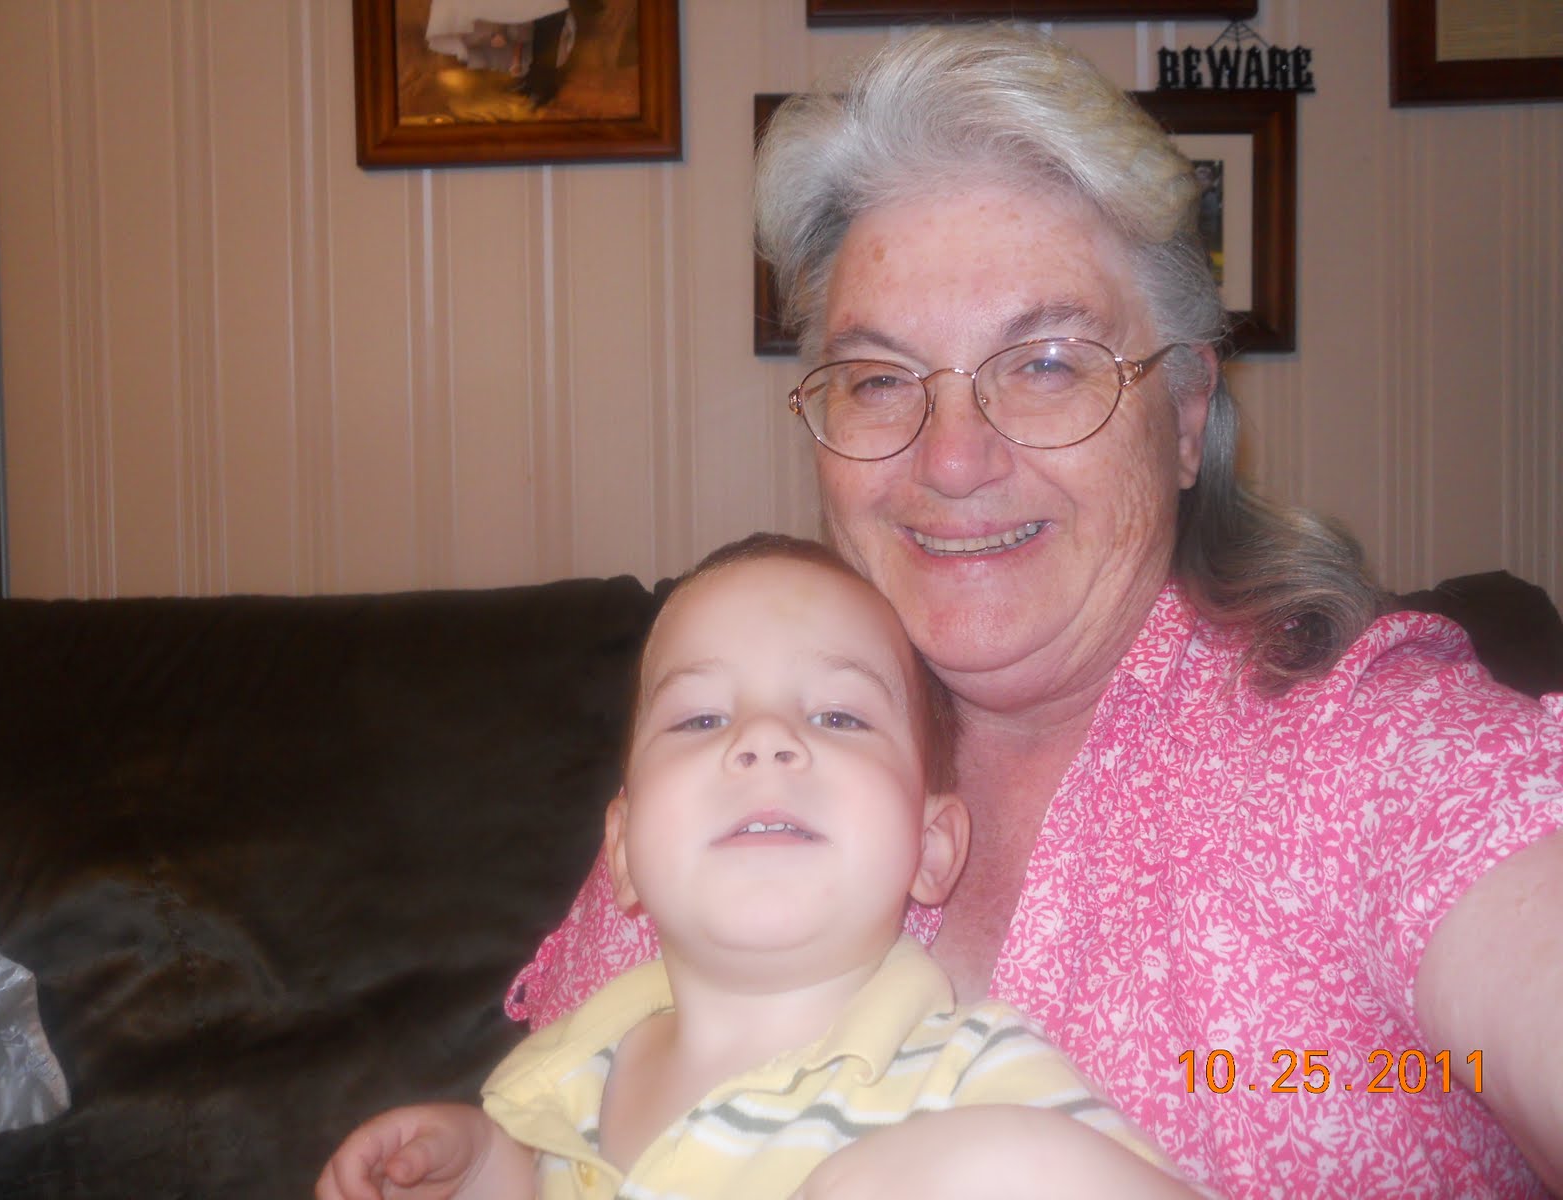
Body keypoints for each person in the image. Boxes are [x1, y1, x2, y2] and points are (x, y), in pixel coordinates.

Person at [506, 26, 1563, 1200]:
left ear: (1182, 417)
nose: (952, 460)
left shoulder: (1382, 763)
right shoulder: (724, 758)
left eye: (1047, 363)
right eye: (880, 380)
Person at [316, 534, 1198, 1200]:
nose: (765, 739)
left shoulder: (969, 1076)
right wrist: (483, 1169)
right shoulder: (568, 1073)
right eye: (700, 720)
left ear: (931, 847)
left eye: (839, 717)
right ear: (621, 852)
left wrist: (998, 1163)